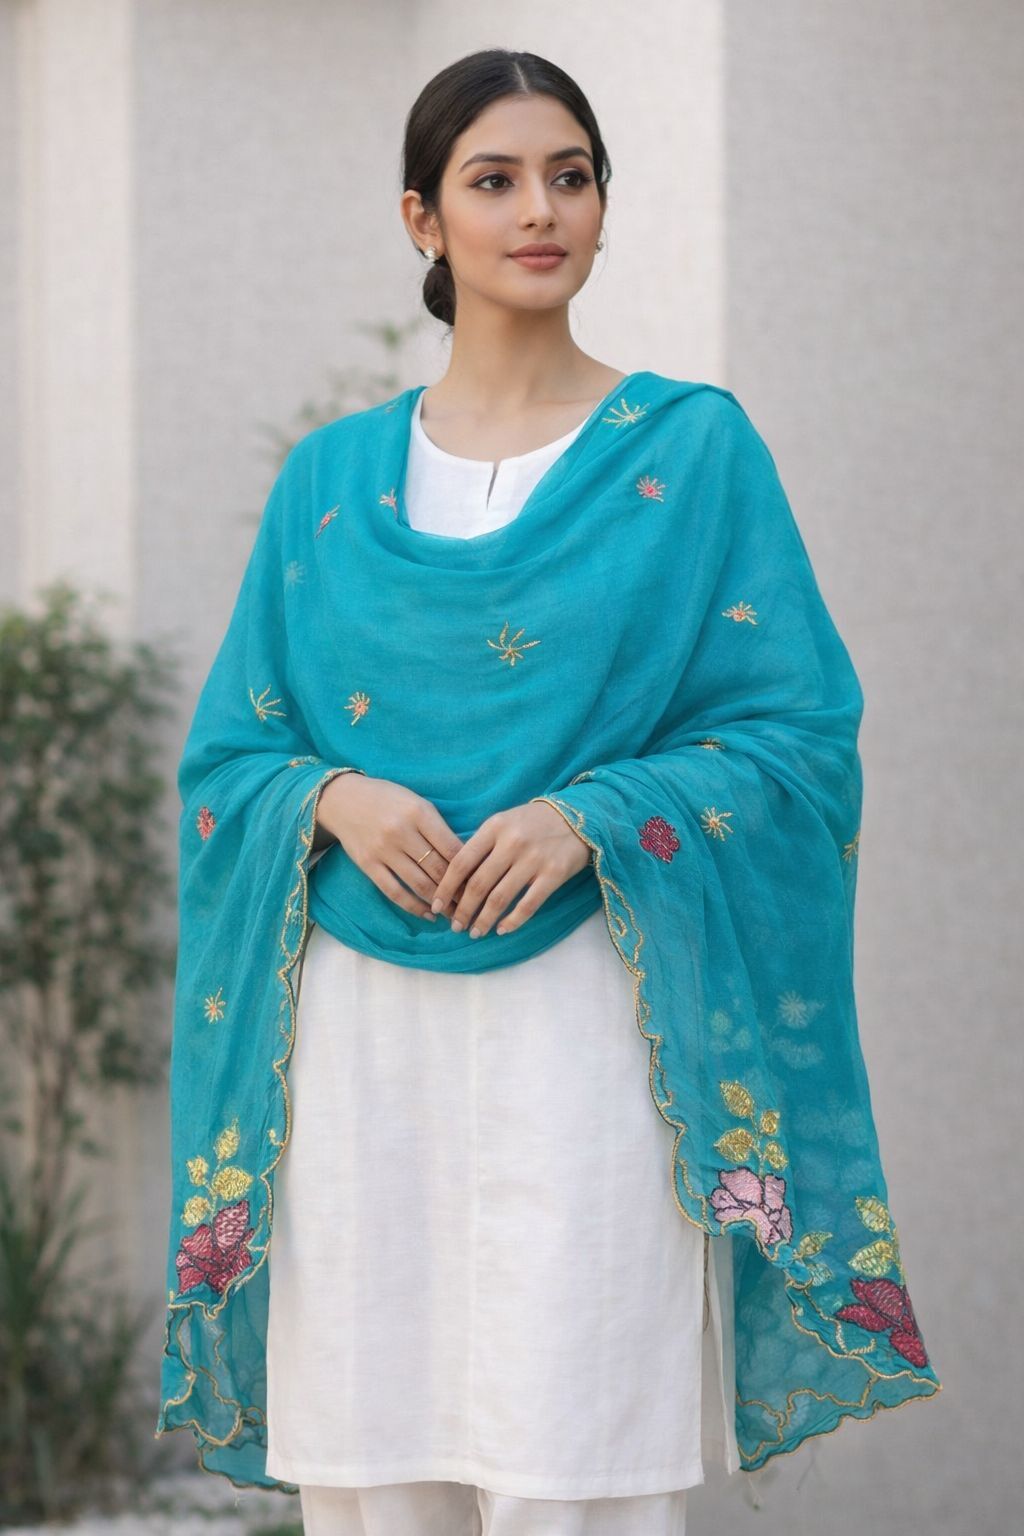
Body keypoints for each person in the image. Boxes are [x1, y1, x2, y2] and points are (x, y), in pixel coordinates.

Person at [154, 48, 942, 1535]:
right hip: (359, 1042)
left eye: (570, 177)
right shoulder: (328, 482)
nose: (540, 211)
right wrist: (331, 797)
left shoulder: (691, 452)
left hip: (593, 1018)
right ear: (422, 218)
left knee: (581, 1458)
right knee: (375, 1466)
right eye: (495, 180)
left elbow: (799, 739)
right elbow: (230, 762)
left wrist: (596, 814)